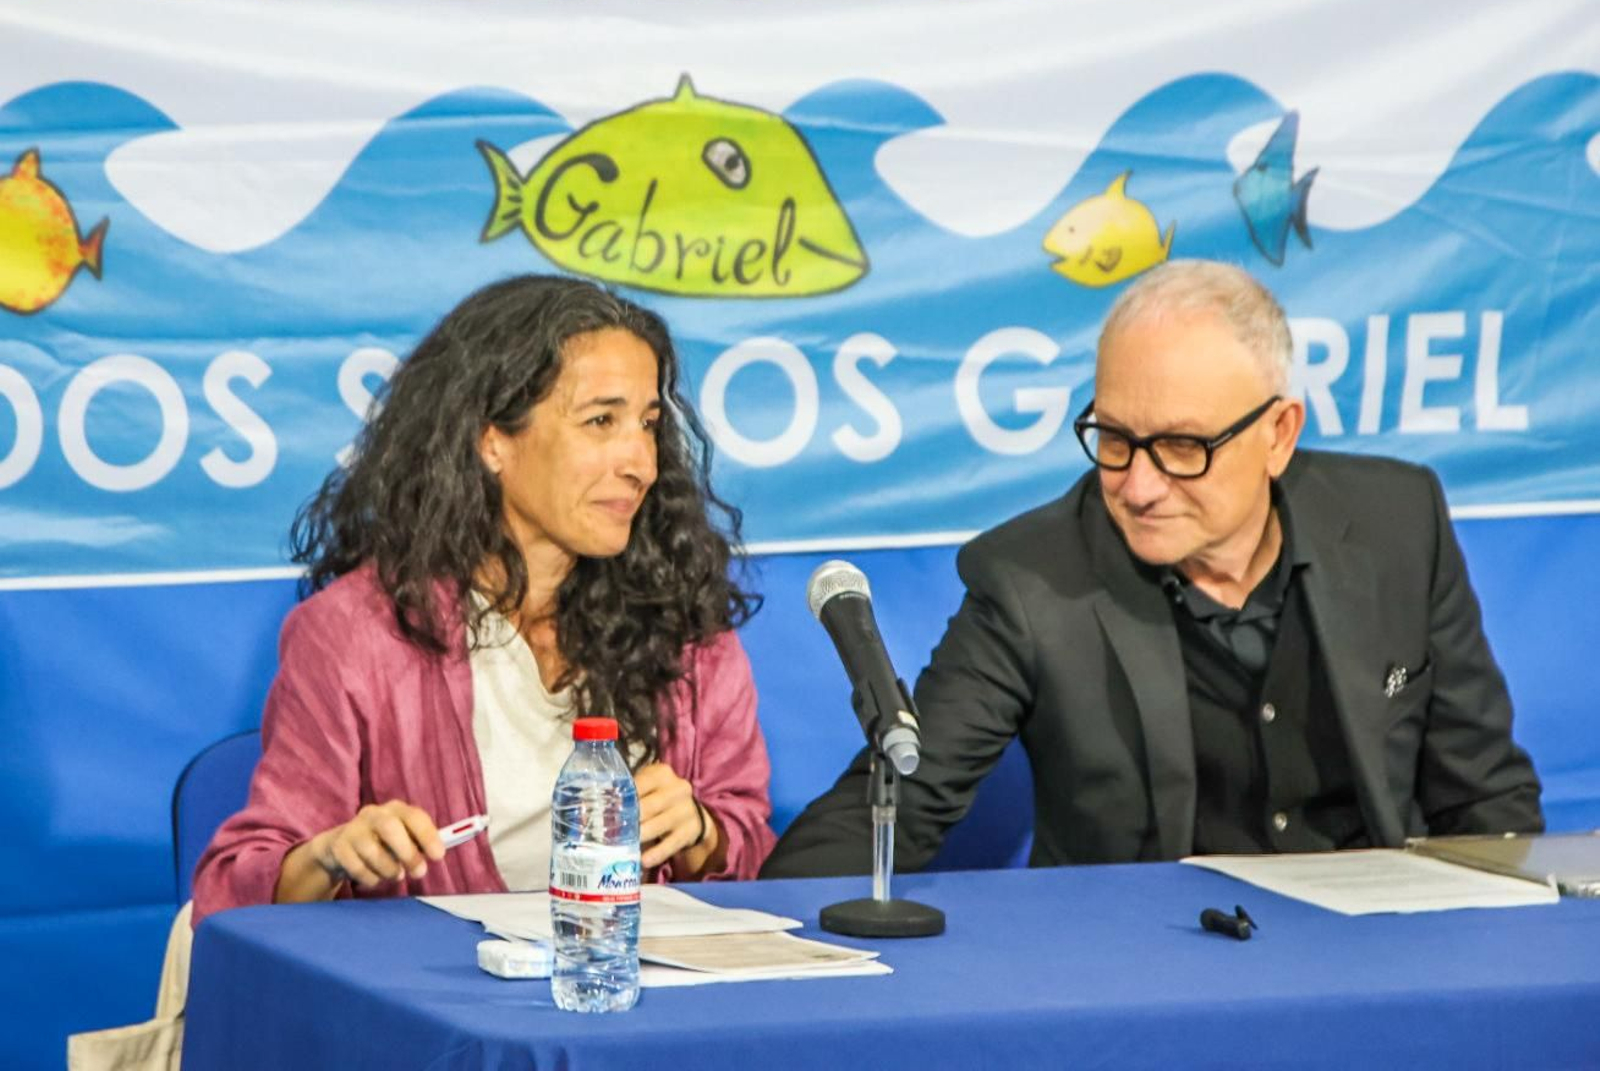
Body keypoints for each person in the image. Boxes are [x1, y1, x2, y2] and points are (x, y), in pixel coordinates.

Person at [763, 260, 1541, 877]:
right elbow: (901, 798)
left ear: (1278, 434)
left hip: (1378, 962)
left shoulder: (1397, 525)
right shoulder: (1033, 579)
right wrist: (767, 945)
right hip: (1144, 980)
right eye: (1114, 438)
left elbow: (1486, 798)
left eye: (1181, 448)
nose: (1136, 485)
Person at [194, 275, 774, 924]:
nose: (640, 459)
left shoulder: (686, 629)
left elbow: (753, 858)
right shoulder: (355, 633)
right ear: (492, 439)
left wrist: (701, 833)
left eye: (647, 423)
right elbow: (235, 886)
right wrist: (334, 855)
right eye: (600, 421)